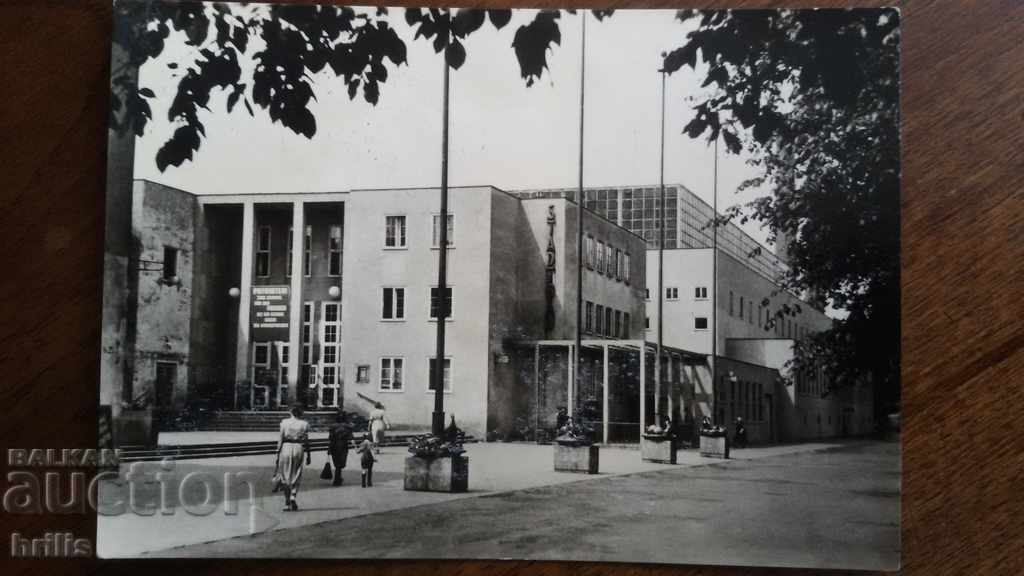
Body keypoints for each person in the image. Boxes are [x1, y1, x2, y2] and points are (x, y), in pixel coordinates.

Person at [276, 402, 311, 511]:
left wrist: (277, 453)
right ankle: (293, 495)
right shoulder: (304, 424)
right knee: (297, 473)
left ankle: (287, 503)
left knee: (285, 475)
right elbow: (306, 440)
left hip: (286, 447)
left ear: (290, 411)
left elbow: (280, 438)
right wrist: (309, 454)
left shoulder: (284, 422)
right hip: (298, 448)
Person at [327, 410, 353, 486]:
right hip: (343, 446)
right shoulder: (348, 427)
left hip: (334, 445)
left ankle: (337, 477)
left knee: (336, 462)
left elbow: (330, 437)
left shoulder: (332, 426)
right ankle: (337, 478)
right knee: (340, 463)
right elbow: (350, 437)